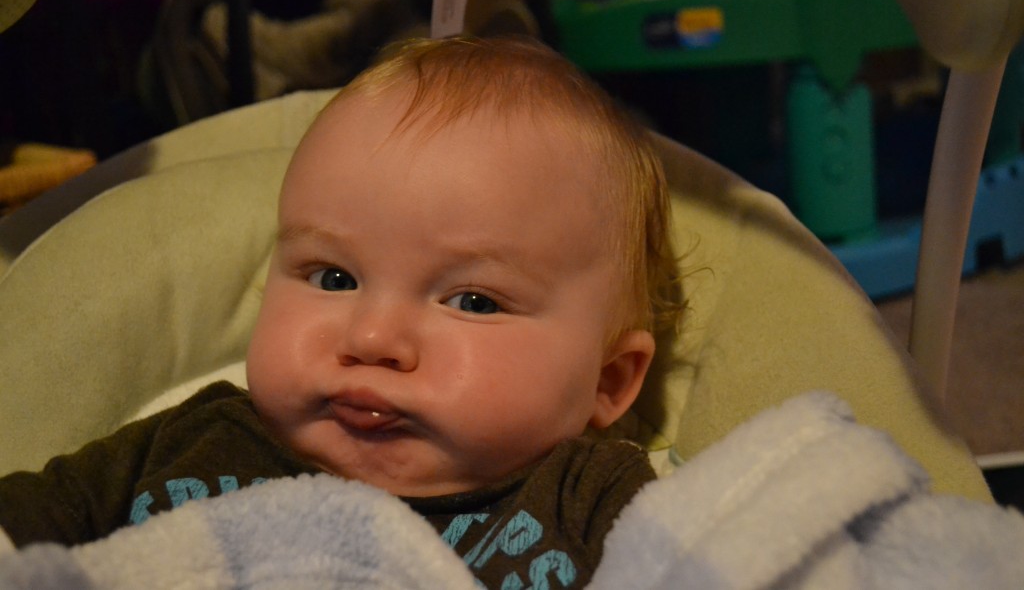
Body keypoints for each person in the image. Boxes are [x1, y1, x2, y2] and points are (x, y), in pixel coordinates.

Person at [0, 35, 684, 588]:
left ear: (608, 380)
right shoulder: (191, 441)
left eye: (472, 301)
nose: (373, 337)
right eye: (332, 277)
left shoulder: (588, 504)